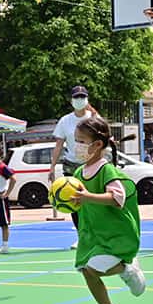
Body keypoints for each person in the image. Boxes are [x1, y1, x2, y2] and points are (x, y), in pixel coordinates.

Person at [69, 117, 147, 304]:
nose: (76, 145)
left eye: (81, 141)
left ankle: (126, 269)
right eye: (75, 140)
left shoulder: (107, 171)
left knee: (96, 269)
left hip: (115, 233)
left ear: (97, 145)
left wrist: (87, 196)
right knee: (86, 270)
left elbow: (117, 198)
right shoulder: (78, 173)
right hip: (92, 233)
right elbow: (79, 201)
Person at [50, 86, 98, 249]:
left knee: (92, 201)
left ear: (87, 99)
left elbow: (104, 137)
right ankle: (82, 236)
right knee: (74, 202)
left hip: (92, 163)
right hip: (72, 165)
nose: (79, 100)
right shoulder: (65, 120)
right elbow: (58, 145)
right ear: (71, 100)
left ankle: (96, 234)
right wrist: (52, 167)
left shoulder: (94, 118)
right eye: (76, 97)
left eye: (82, 97)